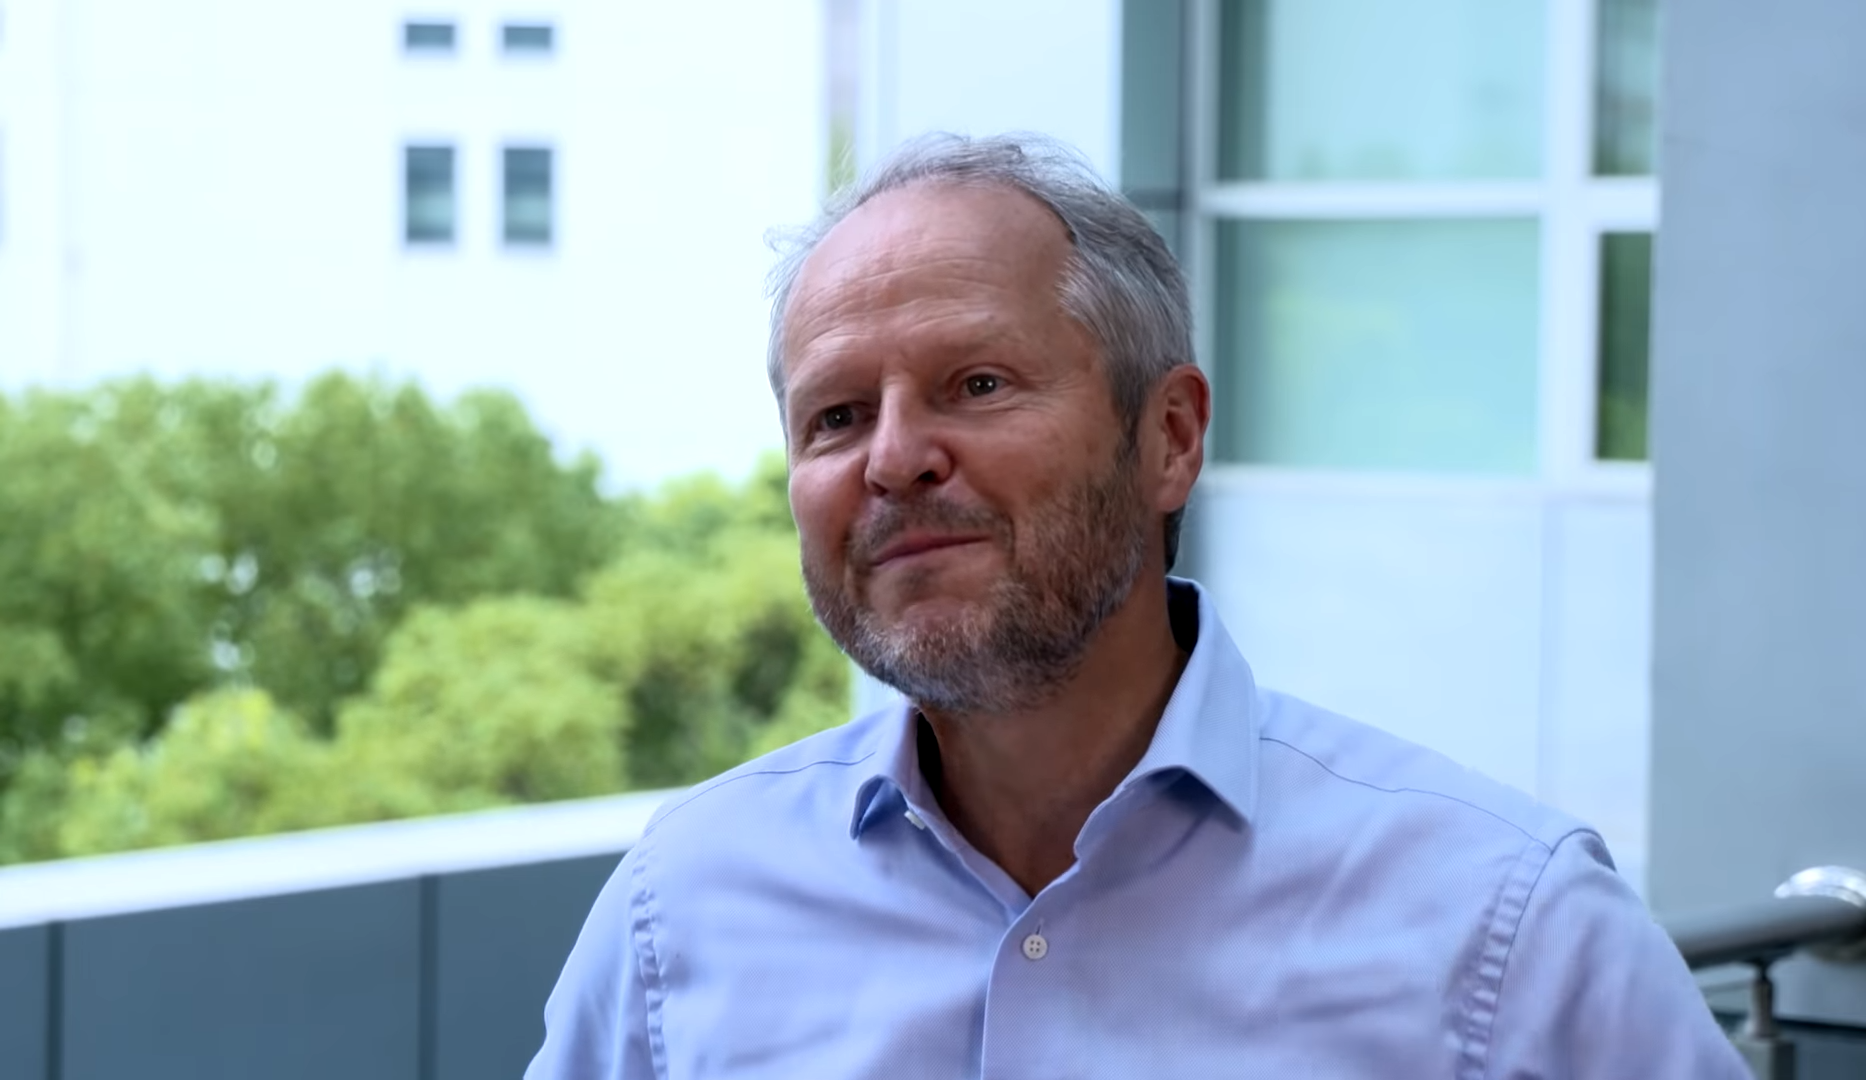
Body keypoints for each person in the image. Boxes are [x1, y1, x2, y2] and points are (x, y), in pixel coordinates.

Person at [527, 133, 1748, 1079]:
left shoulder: (1506, 930)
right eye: (836, 417)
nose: (893, 459)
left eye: (977, 383)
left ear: (1169, 438)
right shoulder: (680, 911)